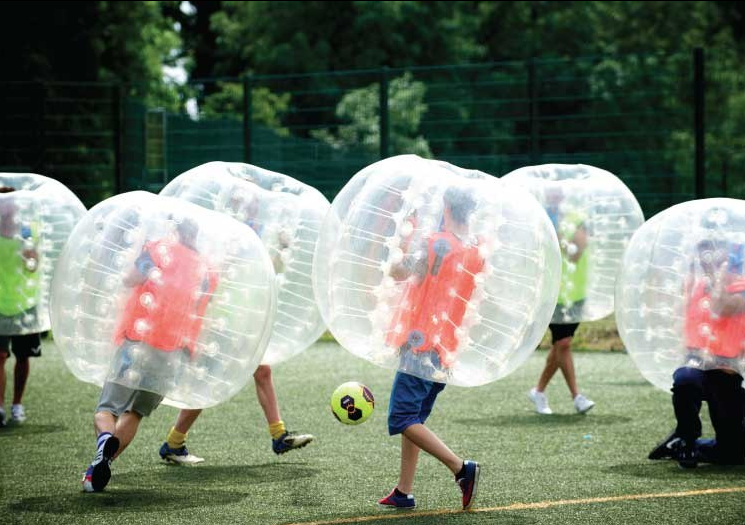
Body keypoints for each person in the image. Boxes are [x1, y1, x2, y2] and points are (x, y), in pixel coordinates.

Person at [158, 194, 312, 465]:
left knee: (261, 370)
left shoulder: (251, 237)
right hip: (217, 323)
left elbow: (267, 270)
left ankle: (278, 435)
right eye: (248, 202)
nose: (254, 205)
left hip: (239, 321)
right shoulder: (221, 240)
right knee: (205, 384)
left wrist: (284, 249)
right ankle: (172, 443)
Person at [83, 216, 219, 492]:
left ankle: (104, 442)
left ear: (175, 231)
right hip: (175, 353)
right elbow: (201, 306)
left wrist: (136, 257)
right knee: (135, 414)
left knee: (106, 409)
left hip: (138, 341)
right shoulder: (207, 269)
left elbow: (130, 279)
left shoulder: (158, 250)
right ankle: (97, 471)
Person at [378, 187, 481, 511]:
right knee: (415, 418)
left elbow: (401, 271)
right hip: (445, 348)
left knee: (402, 416)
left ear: (447, 206)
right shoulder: (473, 250)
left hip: (420, 343)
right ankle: (404, 492)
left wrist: (400, 240)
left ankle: (461, 469)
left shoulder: (435, 241)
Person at [649, 239, 745, 468]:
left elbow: (723, 306)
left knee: (731, 455)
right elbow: (685, 322)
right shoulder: (696, 286)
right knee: (685, 379)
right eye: (702, 257)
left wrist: (717, 277)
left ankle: (684, 444)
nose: (706, 261)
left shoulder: (739, 284)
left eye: (712, 255)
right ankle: (688, 437)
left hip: (727, 369)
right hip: (698, 363)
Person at [528, 185, 595, 415]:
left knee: (560, 345)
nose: (554, 197)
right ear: (546, 195)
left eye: (558, 193)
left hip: (575, 292)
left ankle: (538, 391)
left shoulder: (577, 219)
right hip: (551, 292)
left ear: (564, 196)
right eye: (550, 193)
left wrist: (560, 240)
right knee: (563, 343)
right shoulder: (538, 219)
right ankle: (577, 396)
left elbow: (577, 253)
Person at [0, 186, 41, 426]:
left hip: (26, 301)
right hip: (0, 303)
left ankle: (17, 404)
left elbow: (34, 265)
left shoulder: (29, 231)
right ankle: (0, 408)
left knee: (23, 357)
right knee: (0, 355)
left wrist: (30, 254)